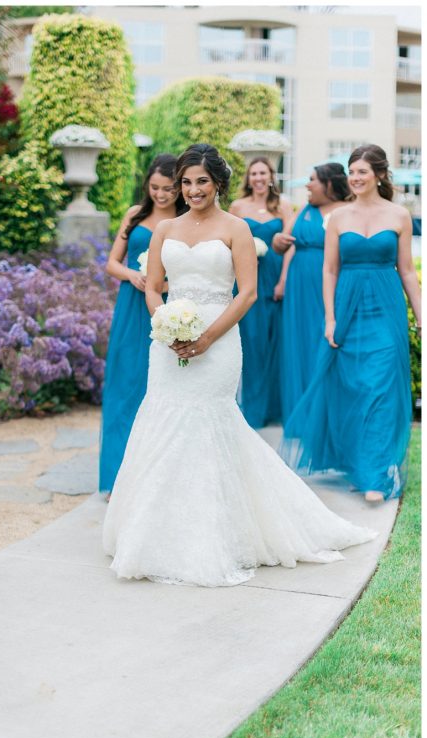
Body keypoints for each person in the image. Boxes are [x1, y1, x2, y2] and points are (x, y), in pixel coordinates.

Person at [102, 143, 377, 587]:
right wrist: (166, 324)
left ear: (218, 183)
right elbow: (154, 288)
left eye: (201, 182)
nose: (192, 190)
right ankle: (154, 533)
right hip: (168, 343)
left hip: (220, 339)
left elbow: (246, 293)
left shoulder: (237, 228)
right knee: (163, 423)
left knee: (211, 425)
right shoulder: (164, 229)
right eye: (186, 182)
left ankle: (216, 534)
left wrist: (207, 337)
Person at [281, 144, 421, 502]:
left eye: (362, 171)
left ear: (379, 175)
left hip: (385, 308)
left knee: (380, 388)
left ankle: (375, 476)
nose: (355, 178)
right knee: (353, 387)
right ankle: (358, 465)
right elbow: (330, 270)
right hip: (347, 308)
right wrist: (329, 318)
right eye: (352, 172)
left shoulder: (399, 215)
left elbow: (407, 272)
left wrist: (422, 318)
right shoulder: (338, 218)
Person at [99, 154, 186, 494]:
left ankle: (155, 480)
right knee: (124, 385)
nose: (162, 195)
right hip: (130, 306)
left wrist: (163, 285)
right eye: (155, 188)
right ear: (147, 185)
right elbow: (111, 263)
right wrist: (135, 276)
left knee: (160, 388)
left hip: (168, 307)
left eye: (168, 189)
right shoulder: (135, 215)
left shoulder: (184, 220)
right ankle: (116, 479)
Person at [272, 163, 351, 422]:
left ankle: (324, 413)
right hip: (298, 287)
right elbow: (283, 243)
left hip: (328, 283)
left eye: (313, 180)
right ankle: (300, 413)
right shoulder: (305, 210)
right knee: (298, 341)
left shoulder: (346, 211)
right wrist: (277, 243)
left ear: (329, 184)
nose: (307, 185)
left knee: (322, 341)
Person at [229, 157, 293, 427]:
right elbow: (226, 242)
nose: (257, 178)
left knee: (276, 342)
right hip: (247, 279)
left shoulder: (284, 206)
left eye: (262, 173)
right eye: (253, 173)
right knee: (251, 342)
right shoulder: (238, 206)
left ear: (270, 176)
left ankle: (274, 409)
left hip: (275, 278)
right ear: (248, 177)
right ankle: (253, 409)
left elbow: (291, 245)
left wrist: (283, 281)